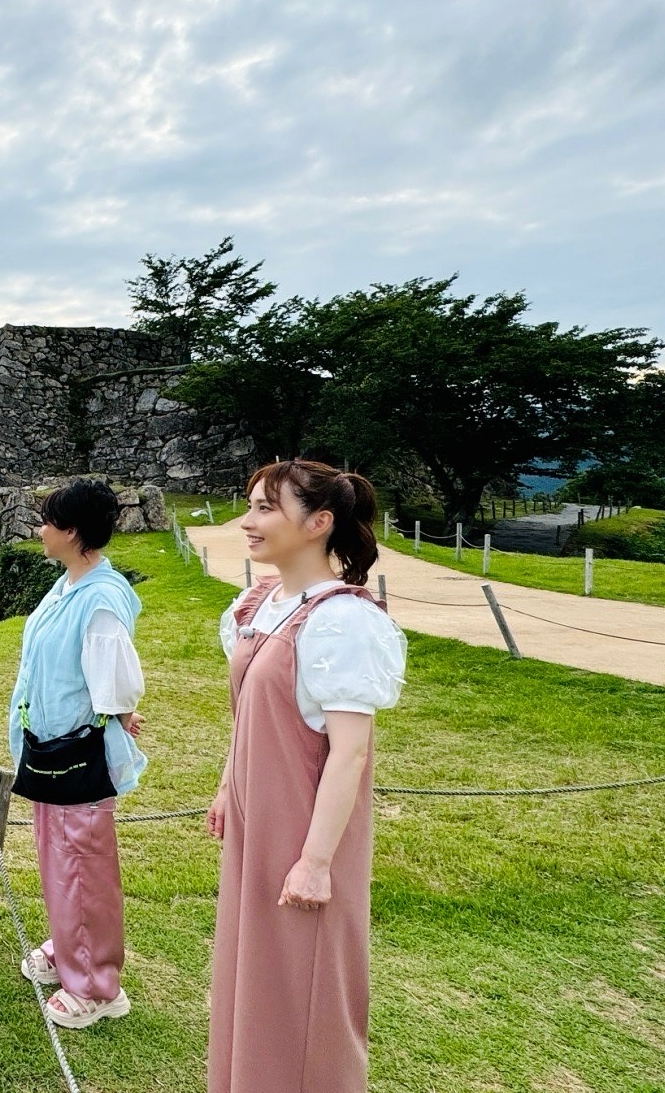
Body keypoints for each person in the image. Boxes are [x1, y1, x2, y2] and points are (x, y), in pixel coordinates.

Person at [206, 460, 406, 1093]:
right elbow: (249, 715)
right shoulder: (260, 603)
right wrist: (226, 785)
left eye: (266, 508)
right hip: (254, 817)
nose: (248, 521)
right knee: (255, 968)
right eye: (251, 506)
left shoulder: (342, 621)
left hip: (304, 826)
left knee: (303, 983)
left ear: (319, 523)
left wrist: (317, 861)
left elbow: (349, 753)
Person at [6, 477, 149, 1029]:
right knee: (61, 860)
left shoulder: (100, 601)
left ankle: (95, 985)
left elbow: (113, 683)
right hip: (50, 748)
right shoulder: (71, 584)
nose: (39, 530)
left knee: (83, 866)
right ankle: (71, 949)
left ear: (71, 531)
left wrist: (120, 712)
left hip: (78, 755)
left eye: (46, 521)